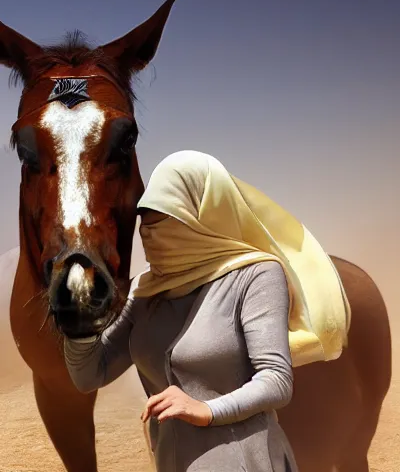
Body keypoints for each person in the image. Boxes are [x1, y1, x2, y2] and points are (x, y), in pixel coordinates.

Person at [63, 150, 350, 472]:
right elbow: (90, 376)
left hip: (245, 459)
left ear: (202, 216)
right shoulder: (145, 288)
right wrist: (79, 327)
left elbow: (276, 379)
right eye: (145, 219)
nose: (149, 232)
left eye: (164, 217)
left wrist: (207, 409)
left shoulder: (255, 274)